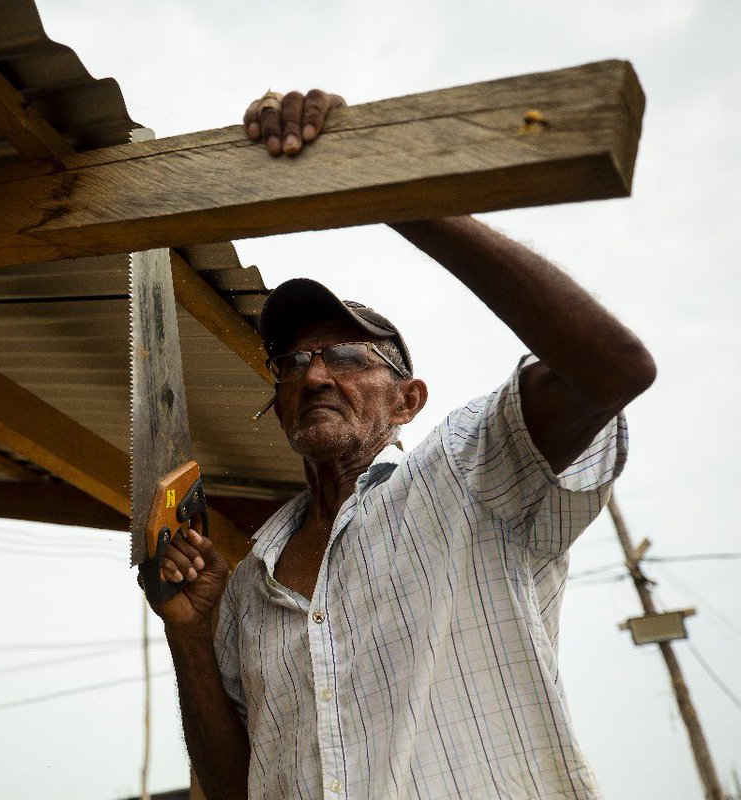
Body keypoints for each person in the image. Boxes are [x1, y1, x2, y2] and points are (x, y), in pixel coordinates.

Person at [152, 89, 656, 799]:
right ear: (277, 402)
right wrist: (188, 635)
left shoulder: (469, 473)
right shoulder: (248, 588)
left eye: (347, 356)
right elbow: (236, 791)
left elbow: (615, 369)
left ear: (408, 400)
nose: (316, 375)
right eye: (292, 365)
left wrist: (388, 185)